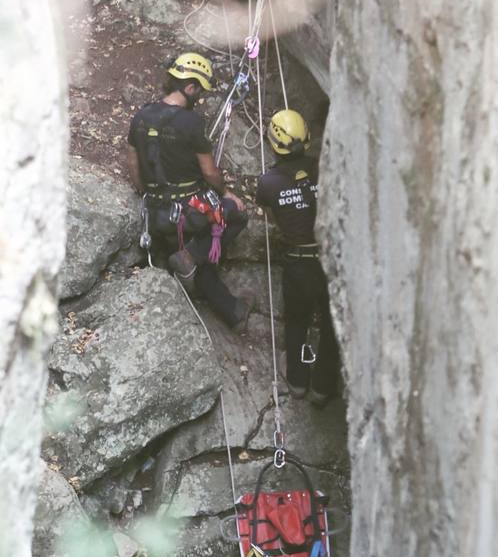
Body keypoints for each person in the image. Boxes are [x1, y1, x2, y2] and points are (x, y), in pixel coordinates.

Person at [127, 52, 254, 332]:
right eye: (199, 91)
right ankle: (193, 254)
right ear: (190, 87)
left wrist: (146, 193)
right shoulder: (191, 124)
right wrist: (227, 193)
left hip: (157, 215)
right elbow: (209, 172)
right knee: (236, 214)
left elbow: (134, 164)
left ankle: (234, 312)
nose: (199, 98)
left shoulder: (141, 116)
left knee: (197, 260)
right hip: (190, 214)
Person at [256, 109, 341, 405]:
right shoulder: (324, 168)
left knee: (297, 321)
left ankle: (297, 381)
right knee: (331, 323)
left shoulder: (268, 183)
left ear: (273, 144)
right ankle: (323, 386)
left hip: (297, 263)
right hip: (330, 260)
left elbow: (272, 214)